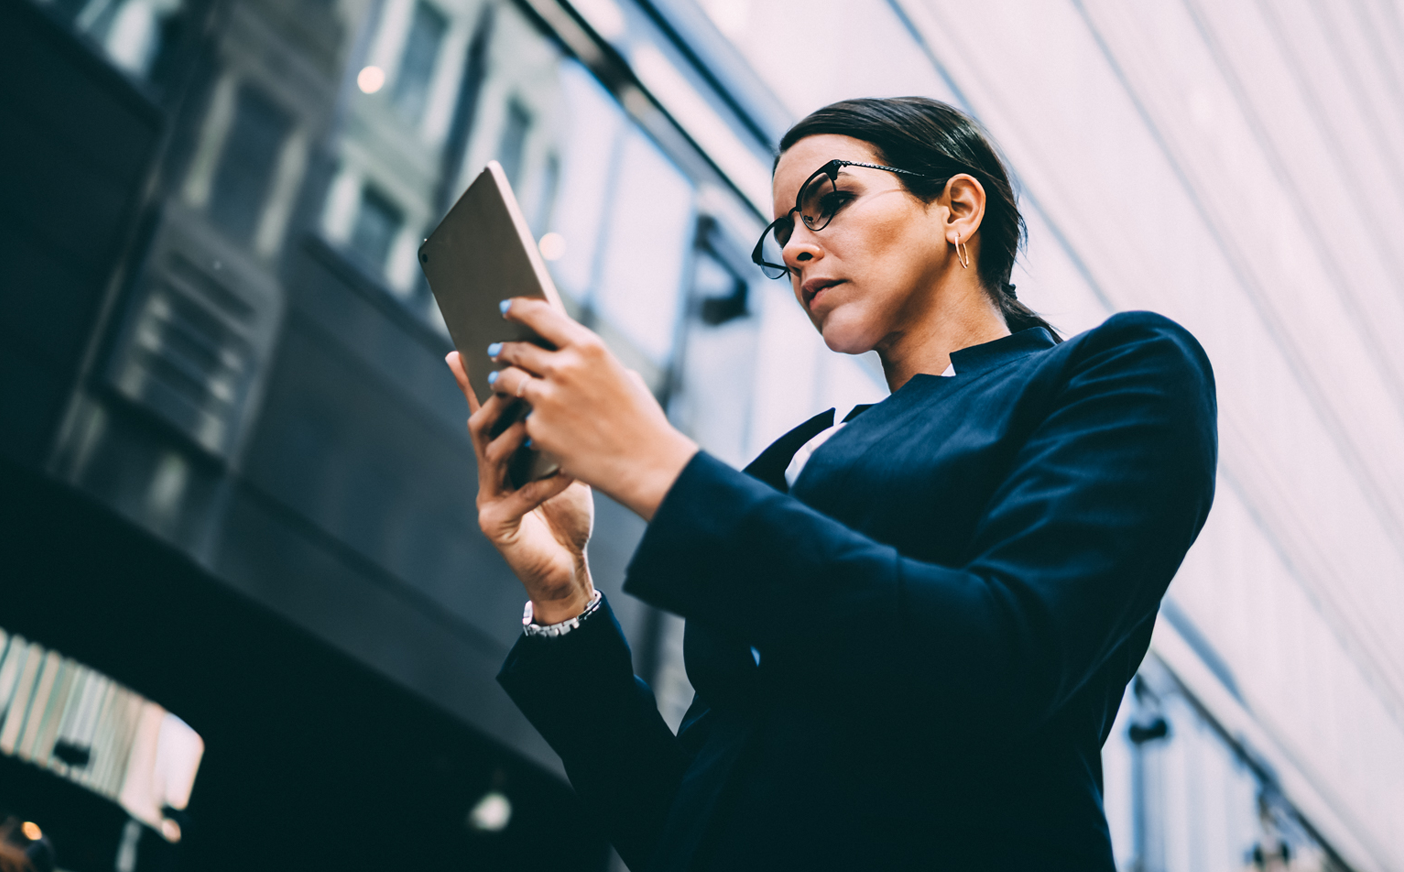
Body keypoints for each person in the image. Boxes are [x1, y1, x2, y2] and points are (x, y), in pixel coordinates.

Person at [444, 96, 1217, 870]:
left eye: (830, 203)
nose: (799, 251)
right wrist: (565, 594)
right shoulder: (793, 460)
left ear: (957, 207)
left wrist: (659, 468)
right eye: (784, 232)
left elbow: (1006, 655)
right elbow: (687, 831)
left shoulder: (1122, 369)